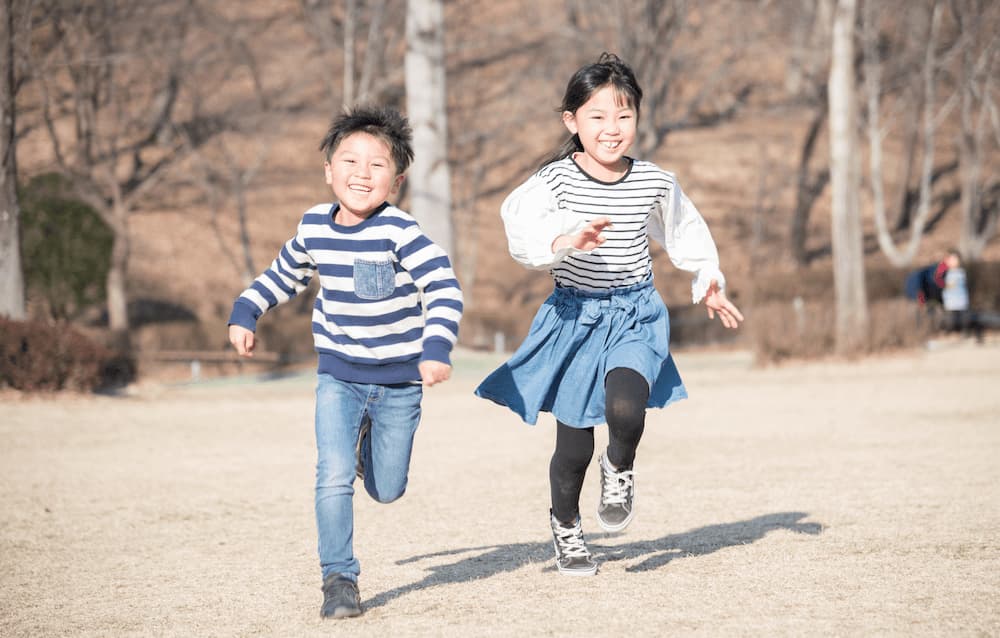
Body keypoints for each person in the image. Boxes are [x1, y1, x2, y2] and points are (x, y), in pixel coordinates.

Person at [474, 53, 743, 576]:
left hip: (635, 313)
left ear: (638, 118)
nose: (612, 129)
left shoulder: (654, 182)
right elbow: (521, 230)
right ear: (571, 122)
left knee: (626, 409)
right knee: (572, 447)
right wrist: (563, 240)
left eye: (623, 115)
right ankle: (567, 525)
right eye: (597, 117)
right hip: (576, 321)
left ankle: (619, 467)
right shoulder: (554, 182)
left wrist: (707, 278)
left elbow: (686, 232)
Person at [227, 106, 463, 618]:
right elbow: (282, 274)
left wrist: (436, 348)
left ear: (396, 181)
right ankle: (339, 578)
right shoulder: (314, 226)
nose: (362, 173)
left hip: (400, 381)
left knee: (387, 488)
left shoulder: (401, 233)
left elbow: (443, 286)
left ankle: (368, 453)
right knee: (331, 475)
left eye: (377, 166)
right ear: (328, 171)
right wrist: (246, 311)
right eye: (349, 161)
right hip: (338, 375)